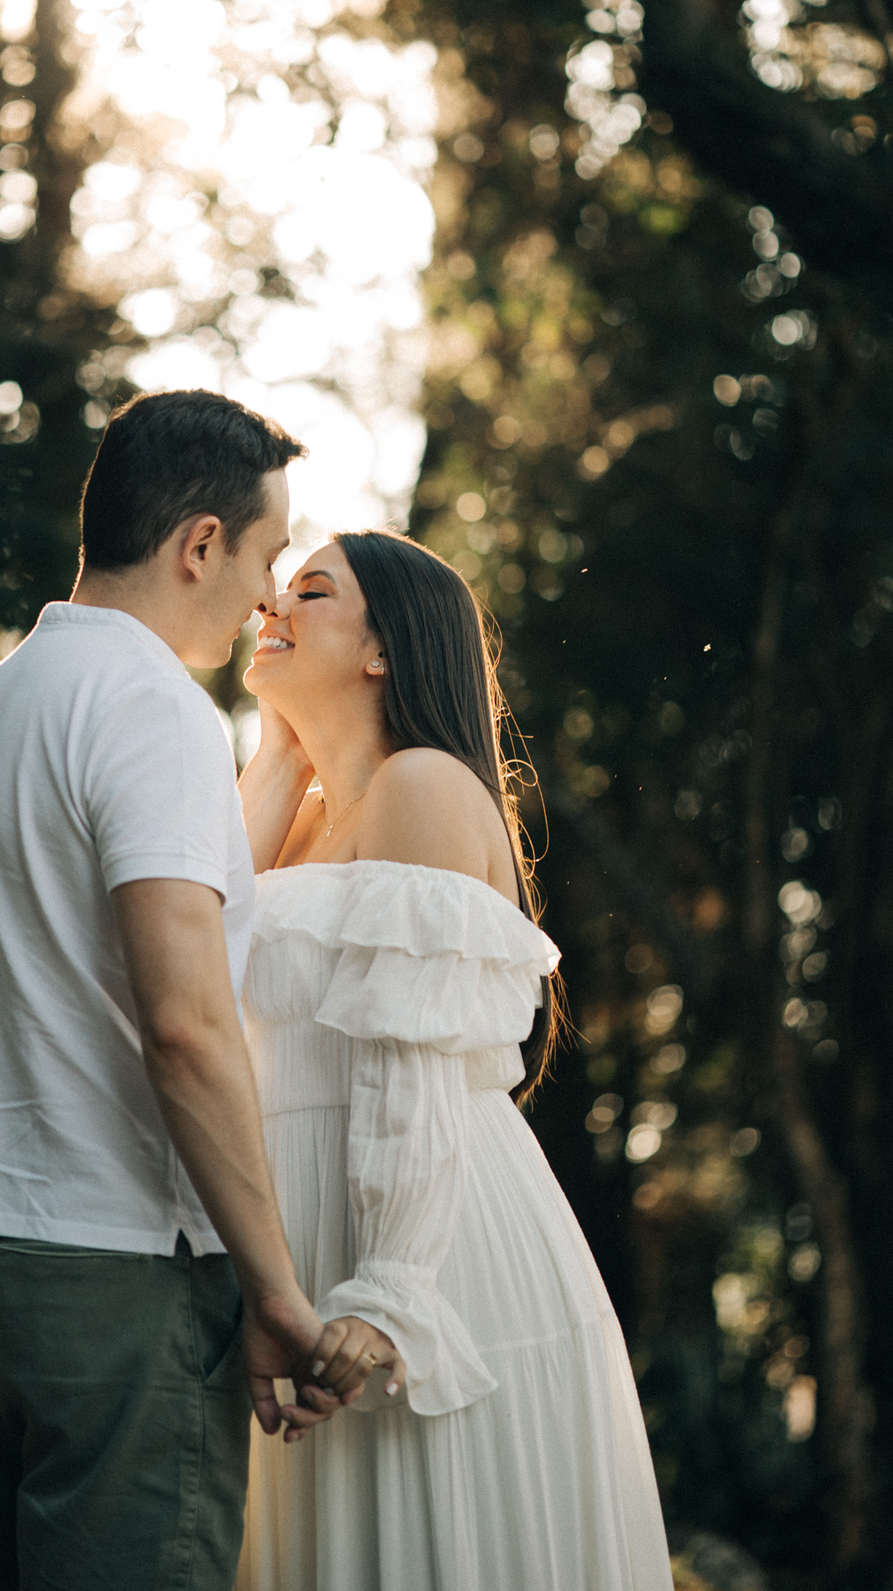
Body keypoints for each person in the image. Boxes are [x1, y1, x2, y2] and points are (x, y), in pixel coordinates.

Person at [0, 390, 360, 1591]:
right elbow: (186, 1018)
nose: (271, 594)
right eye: (267, 555)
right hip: (116, 1273)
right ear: (199, 544)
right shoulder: (152, 706)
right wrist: (274, 1286)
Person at [233, 528, 675, 1591]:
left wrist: (387, 1294)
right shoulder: (301, 820)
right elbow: (191, 961)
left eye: (311, 591)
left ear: (385, 649)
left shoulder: (423, 785)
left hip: (422, 1246)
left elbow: (409, 1060)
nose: (269, 609)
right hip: (302, 1241)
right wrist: (282, 751)